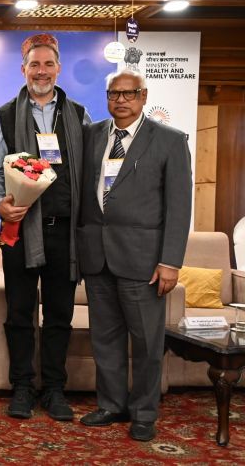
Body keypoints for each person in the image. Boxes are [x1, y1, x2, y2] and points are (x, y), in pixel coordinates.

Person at [78, 69, 191, 442]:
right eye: (114, 94)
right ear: (107, 98)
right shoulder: (92, 135)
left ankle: (144, 413)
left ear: (143, 96)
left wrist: (170, 261)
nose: (121, 100)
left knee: (146, 343)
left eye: (129, 93)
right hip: (97, 256)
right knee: (104, 339)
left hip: (144, 261)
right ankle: (111, 404)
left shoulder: (169, 141)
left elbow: (179, 207)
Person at [0, 34, 91, 421]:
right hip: (20, 230)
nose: (41, 72)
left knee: (60, 314)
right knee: (19, 314)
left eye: (48, 64)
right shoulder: (4, 116)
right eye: (34, 65)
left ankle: (55, 389)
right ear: (23, 69)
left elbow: (89, 173)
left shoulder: (79, 115)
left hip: (66, 233)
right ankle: (23, 387)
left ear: (58, 68)